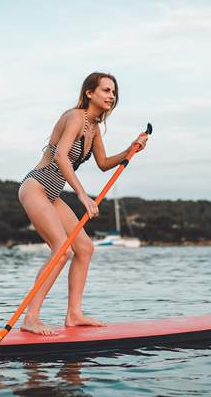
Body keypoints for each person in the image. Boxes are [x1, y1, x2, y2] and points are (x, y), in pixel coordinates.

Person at [18, 72, 148, 335]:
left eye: (114, 92)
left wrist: (130, 150)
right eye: (106, 90)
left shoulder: (94, 128)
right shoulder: (75, 117)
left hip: (52, 195)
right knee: (61, 250)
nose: (111, 96)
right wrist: (81, 195)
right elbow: (62, 157)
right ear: (90, 93)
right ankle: (31, 318)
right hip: (36, 187)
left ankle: (74, 314)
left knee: (85, 248)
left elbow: (103, 164)